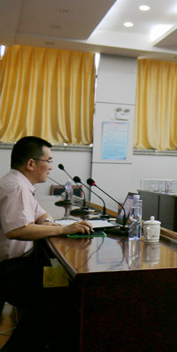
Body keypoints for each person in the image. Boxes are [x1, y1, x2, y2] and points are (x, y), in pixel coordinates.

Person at [0, 136, 93, 351]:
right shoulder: (16, 187)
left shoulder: (21, 184)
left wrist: (48, 224)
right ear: (31, 164)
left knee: (61, 297)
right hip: (9, 270)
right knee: (60, 304)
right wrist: (62, 229)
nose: (51, 167)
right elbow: (17, 230)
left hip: (20, 264)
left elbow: (41, 214)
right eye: (48, 161)